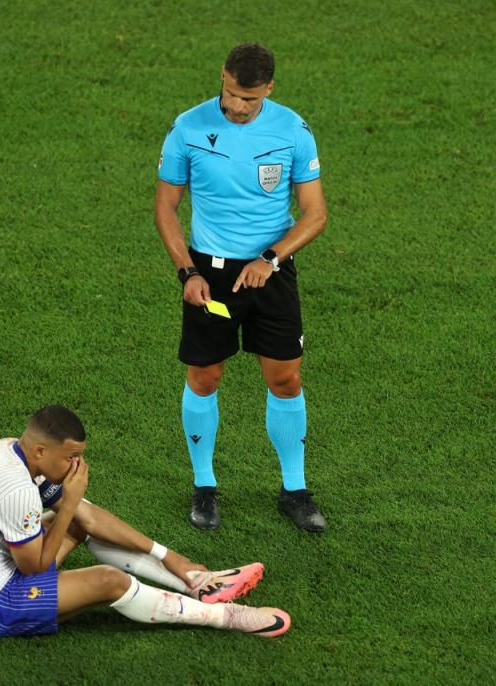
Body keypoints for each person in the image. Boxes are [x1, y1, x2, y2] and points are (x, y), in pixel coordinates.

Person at [154, 43, 328, 532]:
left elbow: (315, 214)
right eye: (231, 94)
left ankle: (294, 491)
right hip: (210, 274)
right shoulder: (187, 128)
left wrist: (271, 259)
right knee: (205, 378)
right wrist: (187, 272)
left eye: (249, 100)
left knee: (285, 379)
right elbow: (166, 207)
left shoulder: (293, 131)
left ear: (268, 89)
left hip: (270, 273)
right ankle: (204, 487)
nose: (236, 107)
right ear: (223, 77)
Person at [0, 405, 290, 638]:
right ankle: (227, 617)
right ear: (41, 451)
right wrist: (68, 504)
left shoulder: (10, 449)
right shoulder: (17, 490)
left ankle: (196, 581)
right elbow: (35, 568)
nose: (76, 467)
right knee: (109, 581)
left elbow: (89, 517)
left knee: (77, 516)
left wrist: (170, 556)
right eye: (71, 457)